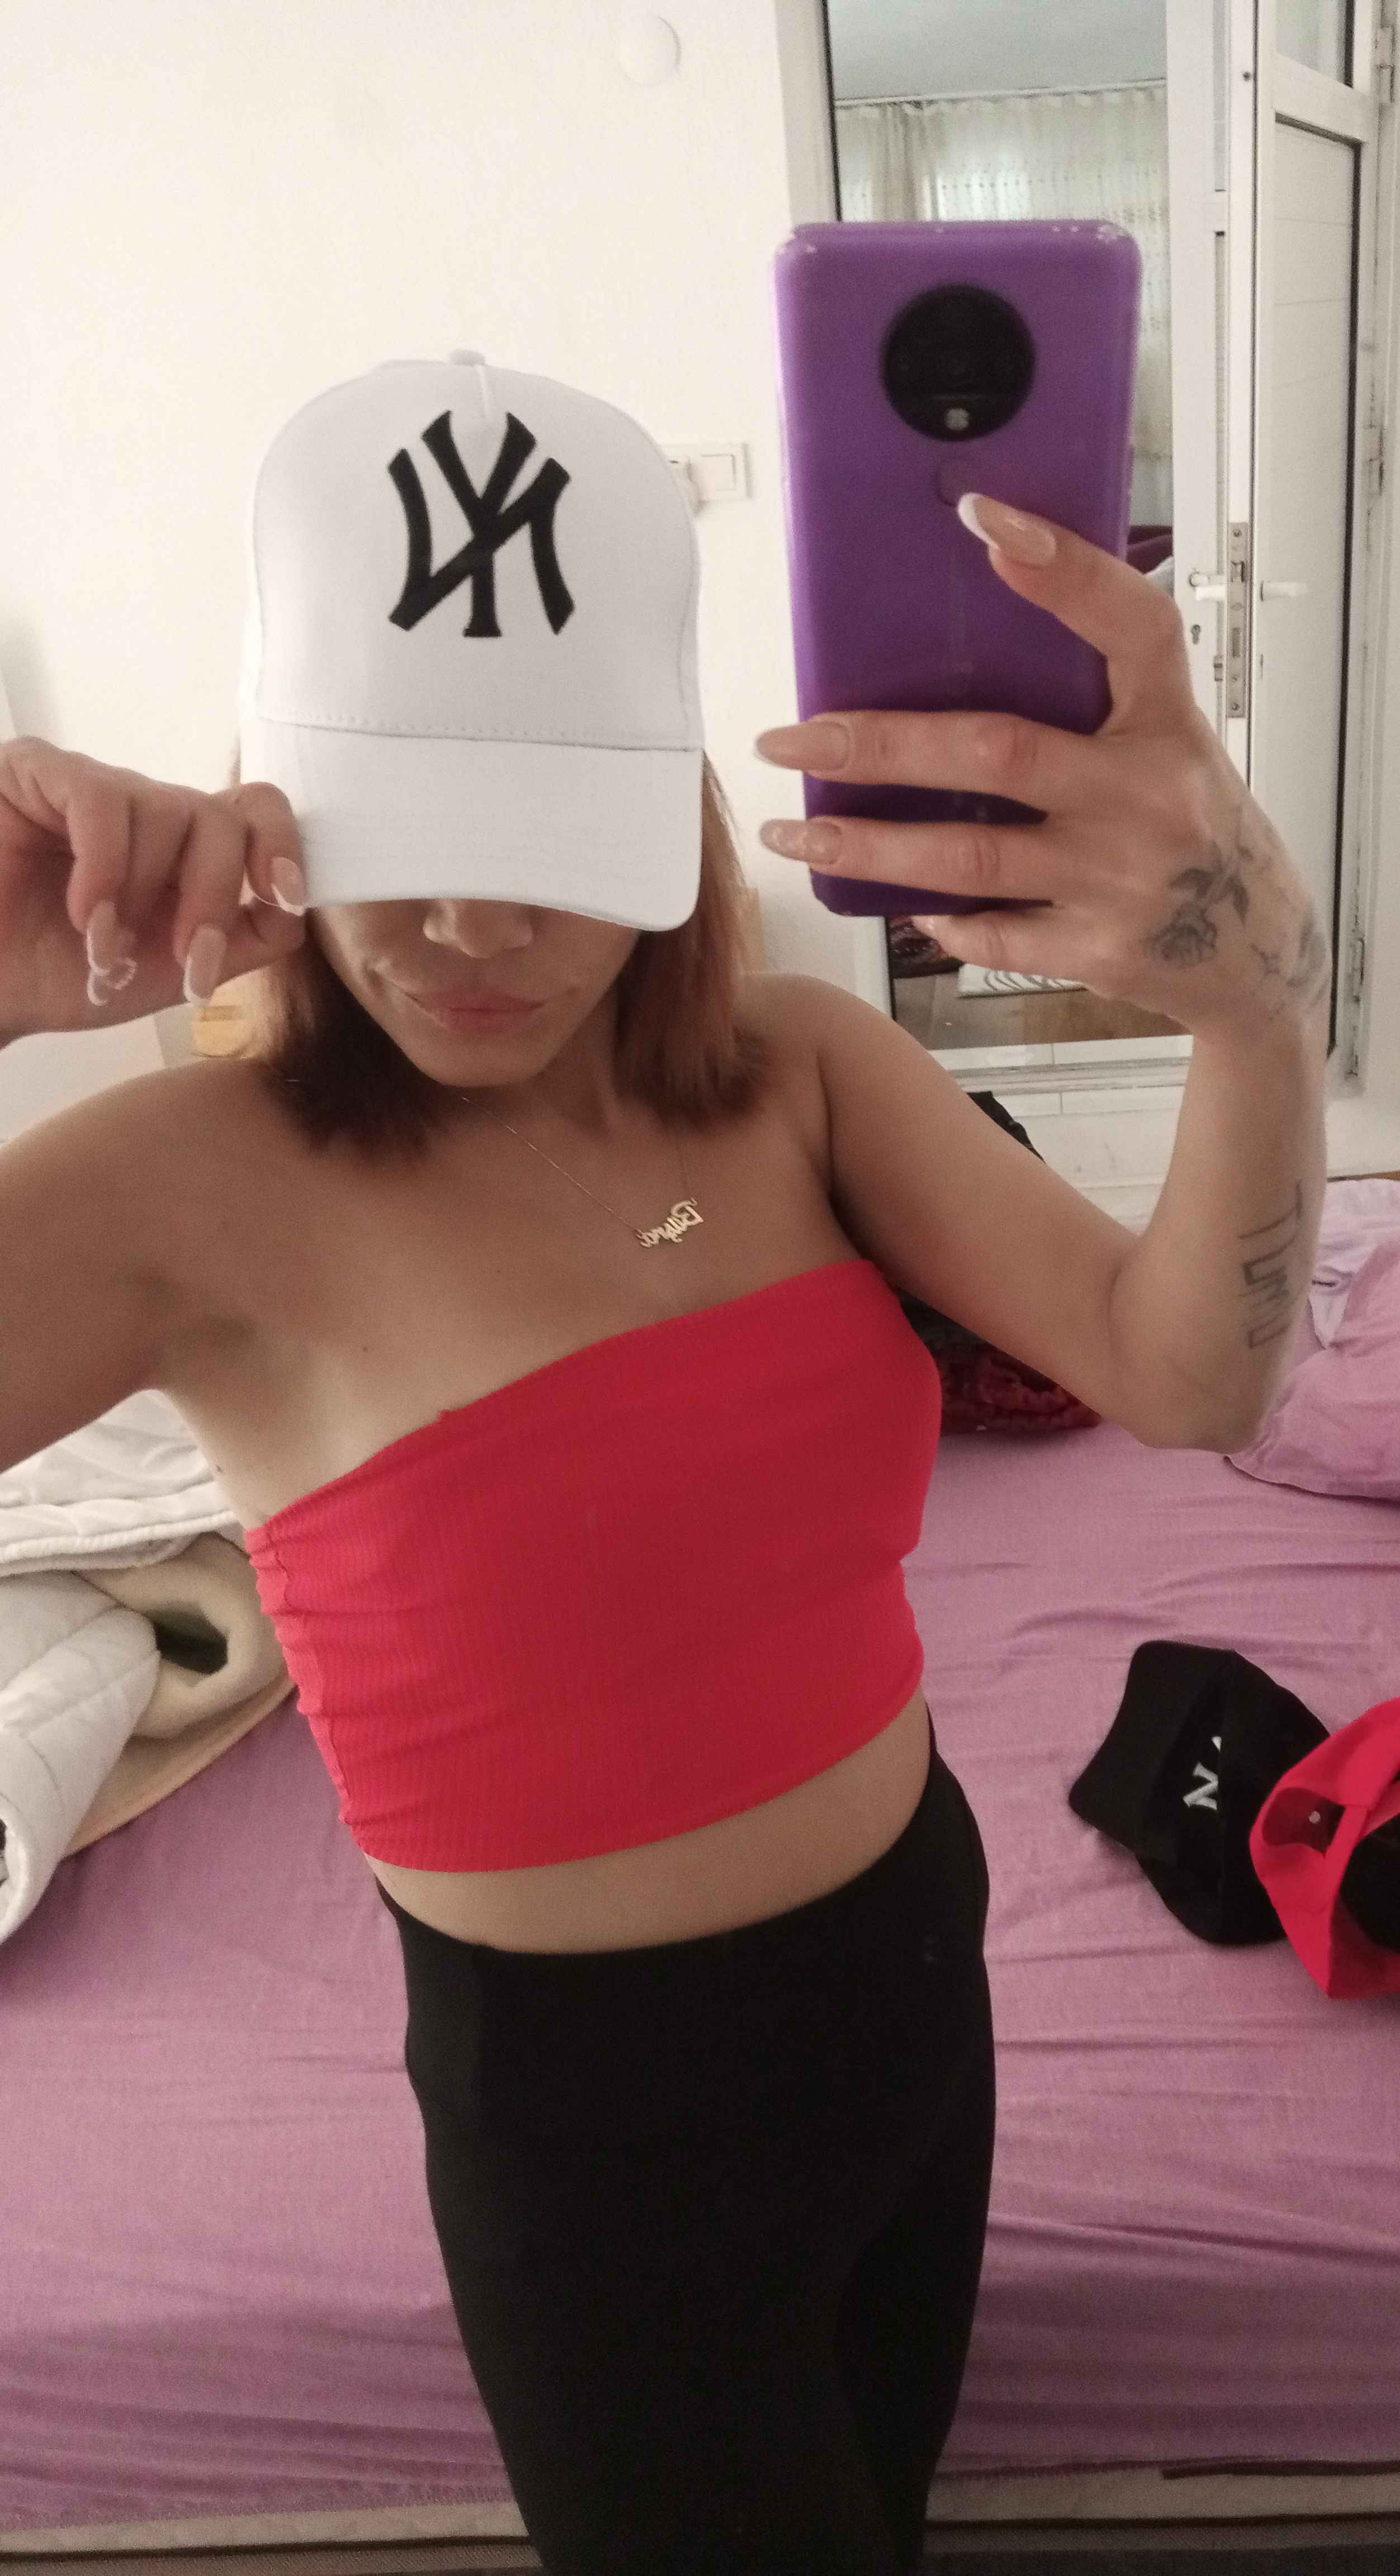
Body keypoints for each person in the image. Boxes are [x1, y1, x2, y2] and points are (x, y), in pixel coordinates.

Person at [0, 361, 1328, 2573]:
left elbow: (1188, 1377)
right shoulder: (194, 1182)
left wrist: (1255, 997)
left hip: (915, 1978)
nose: (466, 930)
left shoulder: (800, 1069)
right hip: (591, 2136)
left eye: (540, 838)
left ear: (664, 807)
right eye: (398, 833)